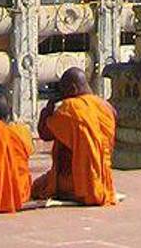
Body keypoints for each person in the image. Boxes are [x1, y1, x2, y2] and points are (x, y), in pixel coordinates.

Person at [32, 68, 117, 206]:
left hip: (75, 183)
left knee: (37, 187)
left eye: (63, 91)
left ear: (73, 89)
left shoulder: (69, 107)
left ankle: (75, 190)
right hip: (104, 180)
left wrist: (48, 109)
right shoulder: (107, 107)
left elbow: (45, 134)